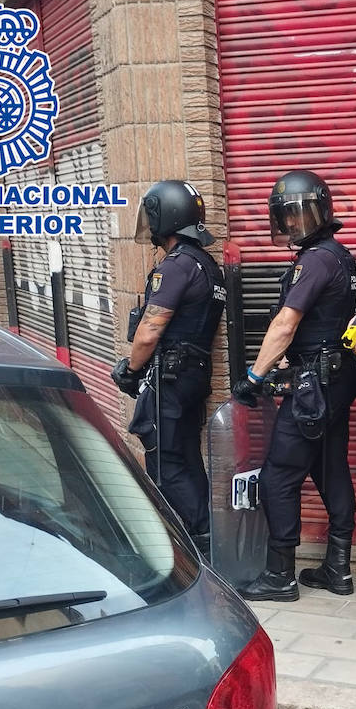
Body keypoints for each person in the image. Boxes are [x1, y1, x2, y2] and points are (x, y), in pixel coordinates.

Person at [234, 170, 356, 602]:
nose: (293, 222)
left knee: (278, 478)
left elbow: (285, 324)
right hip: (336, 379)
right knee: (330, 468)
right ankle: (338, 569)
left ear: (321, 212)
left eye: (300, 213)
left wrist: (254, 375)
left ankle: (280, 576)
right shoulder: (340, 255)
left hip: (314, 387)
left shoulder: (315, 260)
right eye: (288, 214)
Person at [111, 180, 224, 553]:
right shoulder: (207, 265)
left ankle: (198, 545)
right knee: (188, 458)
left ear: (167, 217)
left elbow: (149, 332)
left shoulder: (175, 267)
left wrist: (130, 370)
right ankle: (208, 538)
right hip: (193, 375)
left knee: (167, 464)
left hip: (171, 378)